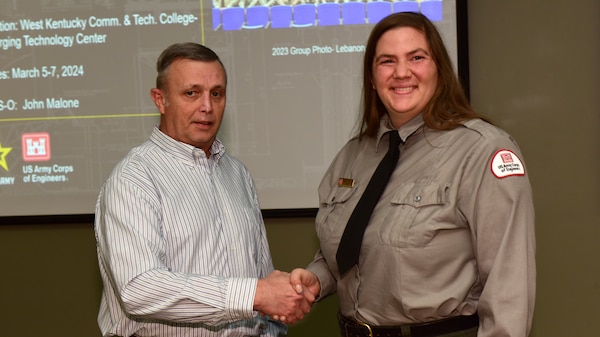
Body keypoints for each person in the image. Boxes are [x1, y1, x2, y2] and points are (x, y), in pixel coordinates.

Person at [291, 12, 536, 337]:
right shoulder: (353, 155)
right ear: (372, 77)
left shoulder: (482, 151)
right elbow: (352, 247)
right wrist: (317, 279)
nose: (401, 72)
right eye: (387, 61)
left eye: (416, 57)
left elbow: (509, 289)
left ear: (440, 70)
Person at [94, 42, 309, 337]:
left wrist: (270, 313)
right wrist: (253, 295)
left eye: (216, 93)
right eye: (191, 93)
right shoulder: (134, 178)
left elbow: (262, 282)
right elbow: (139, 288)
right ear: (160, 100)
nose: (207, 106)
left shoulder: (237, 173)